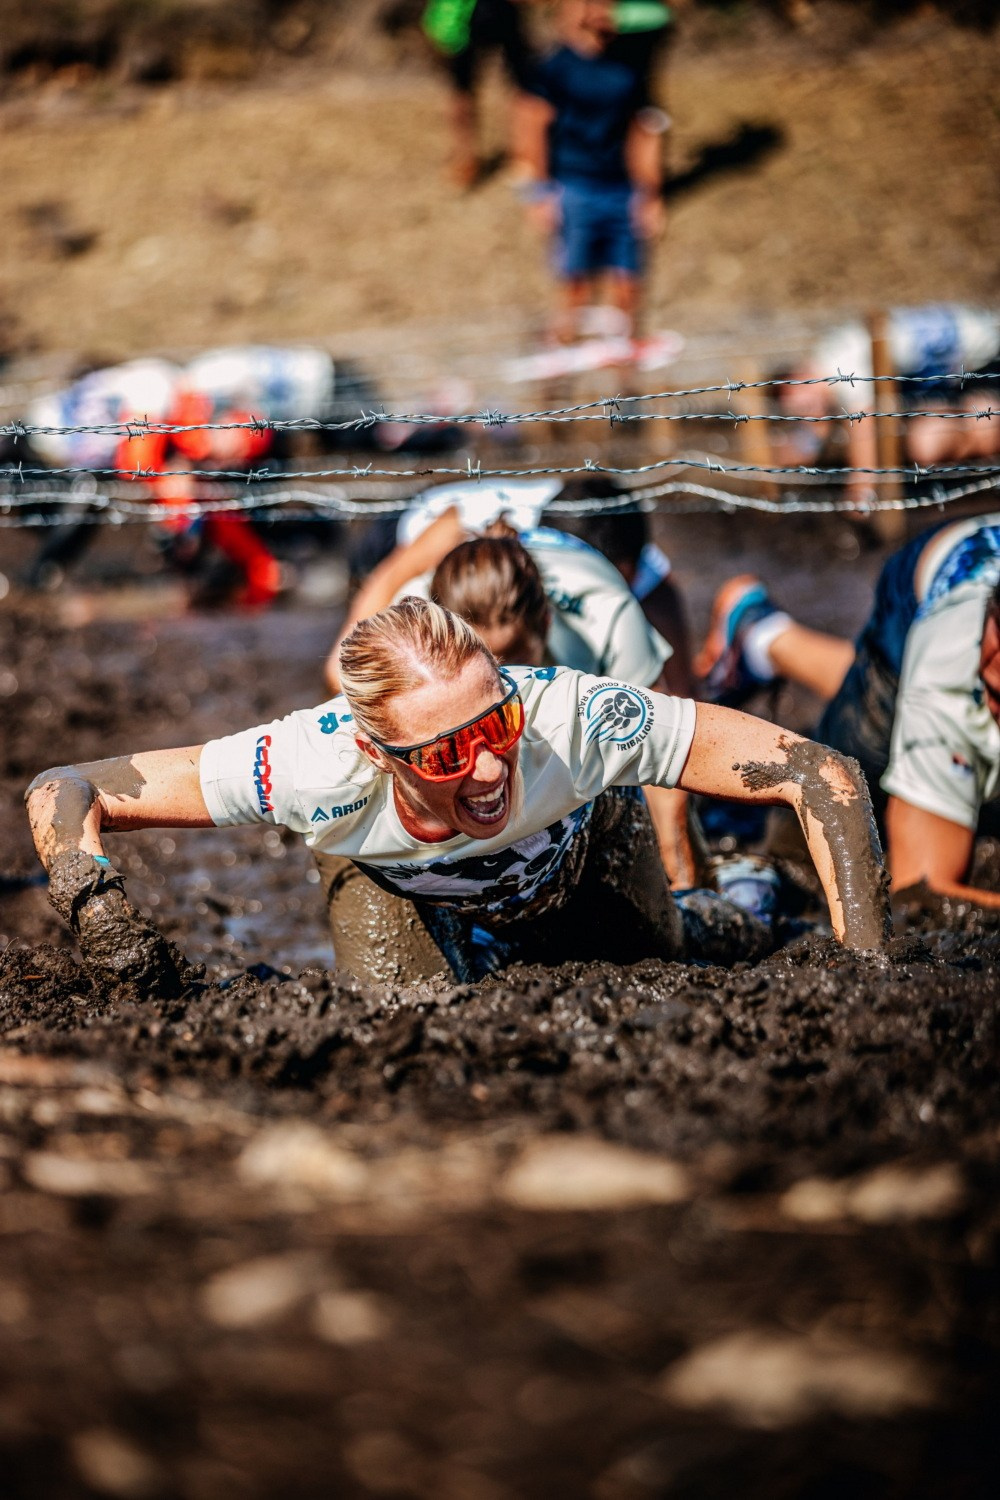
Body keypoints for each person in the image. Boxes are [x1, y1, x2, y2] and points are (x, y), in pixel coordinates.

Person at [25, 598, 890, 1000]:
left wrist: (867, 972)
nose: (485, 771)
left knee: (679, 964)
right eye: (443, 752)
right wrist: (92, 897)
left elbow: (820, 773)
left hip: (580, 858)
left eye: (497, 724)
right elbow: (62, 787)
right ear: (377, 752)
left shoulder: (574, 718)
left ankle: (744, 892)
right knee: (412, 1022)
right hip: (396, 884)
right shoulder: (305, 764)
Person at [323, 495, 699, 880]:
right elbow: (341, 678)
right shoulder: (416, 614)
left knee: (687, 706)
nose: (495, 689)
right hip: (448, 513)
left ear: (546, 625)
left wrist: (679, 875)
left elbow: (661, 748)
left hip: (582, 535)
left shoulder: (607, 614)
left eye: (514, 665)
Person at [697, 512, 1000, 907]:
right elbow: (922, 886)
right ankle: (763, 634)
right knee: (857, 759)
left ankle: (762, 633)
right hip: (925, 587)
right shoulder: (949, 674)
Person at [517, 0, 668, 341]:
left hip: (621, 189)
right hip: (573, 187)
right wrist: (538, 192)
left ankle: (624, 385)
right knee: (575, 288)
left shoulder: (630, 65)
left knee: (629, 287)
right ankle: (561, 378)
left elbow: (644, 128)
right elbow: (531, 127)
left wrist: (651, 194)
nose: (605, 12)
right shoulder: (554, 66)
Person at [775, 305, 1000, 507]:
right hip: (958, 365)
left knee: (930, 440)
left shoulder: (841, 366)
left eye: (801, 407)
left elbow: (863, 428)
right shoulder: (828, 358)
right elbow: (818, 426)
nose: (806, 415)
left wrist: (861, 492)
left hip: (988, 355)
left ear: (797, 379)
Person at [422, 0, 535, 188]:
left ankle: (522, 151)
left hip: (495, 11)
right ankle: (466, 157)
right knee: (462, 88)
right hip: (461, 14)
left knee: (519, 84)